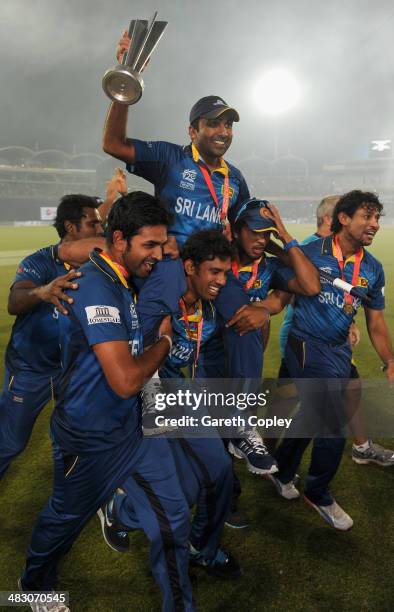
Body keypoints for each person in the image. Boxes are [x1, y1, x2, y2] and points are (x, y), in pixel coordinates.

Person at [20, 192, 196, 612]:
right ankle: (33, 585)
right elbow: (125, 380)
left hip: (134, 428)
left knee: (175, 517)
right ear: (119, 240)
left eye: (162, 244)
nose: (158, 255)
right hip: (89, 438)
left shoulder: (124, 277)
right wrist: (166, 340)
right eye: (149, 245)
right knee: (63, 522)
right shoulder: (96, 285)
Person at [101, 32, 272, 386]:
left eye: (228, 124)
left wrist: (281, 258)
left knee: (250, 319)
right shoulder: (170, 159)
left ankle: (240, 422)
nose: (223, 131)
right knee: (150, 324)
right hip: (171, 265)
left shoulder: (235, 179)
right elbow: (113, 143)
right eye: (214, 123)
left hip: (213, 269)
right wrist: (124, 84)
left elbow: (243, 228)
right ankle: (144, 392)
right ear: (192, 130)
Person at [101, 229, 241, 579]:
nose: (221, 281)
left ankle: (200, 548)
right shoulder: (164, 289)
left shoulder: (208, 304)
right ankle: (123, 511)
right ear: (190, 267)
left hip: (181, 391)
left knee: (217, 472)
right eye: (214, 272)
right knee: (180, 489)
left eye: (225, 273)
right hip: (149, 393)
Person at [259, 190, 394, 530]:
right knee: (333, 420)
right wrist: (257, 310)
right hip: (304, 344)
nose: (375, 224)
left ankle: (284, 470)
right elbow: (281, 297)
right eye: (368, 216)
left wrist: (390, 361)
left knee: (311, 414)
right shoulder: (309, 252)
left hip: (337, 350)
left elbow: (375, 323)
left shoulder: (373, 269)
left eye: (377, 218)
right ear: (344, 218)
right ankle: (318, 492)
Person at [0, 195, 103, 480]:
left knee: (77, 440)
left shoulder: (99, 265)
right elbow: (14, 300)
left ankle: (84, 495)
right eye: (93, 223)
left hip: (72, 370)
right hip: (31, 369)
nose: (100, 229)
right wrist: (42, 292)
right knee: (10, 441)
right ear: (71, 228)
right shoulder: (42, 261)